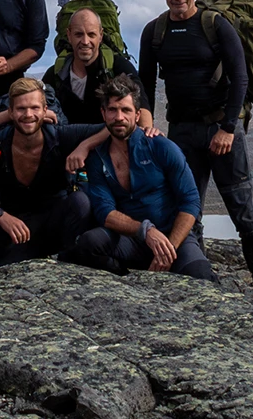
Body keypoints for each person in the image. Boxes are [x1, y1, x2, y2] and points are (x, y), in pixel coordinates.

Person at [136, 0, 253, 296]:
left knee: (243, 212)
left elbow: (240, 77)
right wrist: (148, 122)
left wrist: (228, 128)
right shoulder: (154, 31)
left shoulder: (215, 24)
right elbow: (143, 84)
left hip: (222, 129)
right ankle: (197, 285)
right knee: (188, 212)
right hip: (182, 132)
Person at [67, 75, 216, 282]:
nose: (119, 117)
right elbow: (105, 212)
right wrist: (145, 230)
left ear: (137, 115)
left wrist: (167, 249)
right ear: (103, 113)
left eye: (126, 110)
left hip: (172, 238)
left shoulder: (161, 146)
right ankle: (128, 278)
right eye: (113, 110)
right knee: (88, 243)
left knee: (201, 277)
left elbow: (190, 201)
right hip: (131, 240)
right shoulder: (97, 158)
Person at [0, 77, 100, 265]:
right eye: (21, 109)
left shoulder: (62, 136)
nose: (28, 115)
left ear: (45, 111)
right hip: (13, 227)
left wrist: (84, 146)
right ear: (10, 112)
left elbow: (112, 127)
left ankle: (68, 260)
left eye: (34, 108)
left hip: (53, 224)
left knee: (80, 201)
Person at [43, 4, 149, 128]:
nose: (85, 41)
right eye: (78, 34)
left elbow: (140, 102)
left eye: (91, 35)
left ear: (101, 36)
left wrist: (148, 136)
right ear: (69, 35)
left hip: (110, 143)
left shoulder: (117, 67)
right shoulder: (56, 74)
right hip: (67, 143)